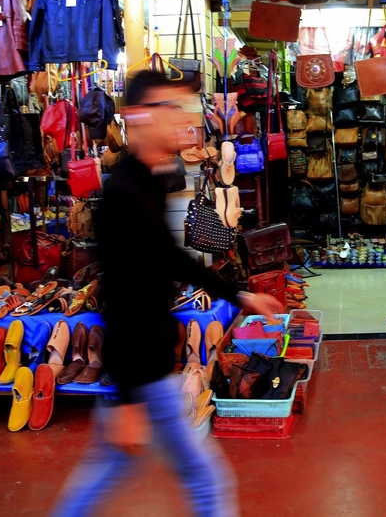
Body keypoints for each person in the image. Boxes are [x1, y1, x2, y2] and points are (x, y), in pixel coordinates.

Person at [51, 71, 283, 517]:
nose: (181, 119)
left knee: (136, 472)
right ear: (138, 116)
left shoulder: (146, 181)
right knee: (201, 480)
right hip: (141, 372)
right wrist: (126, 396)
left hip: (150, 367)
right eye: (170, 108)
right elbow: (120, 295)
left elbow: (169, 258)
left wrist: (238, 296)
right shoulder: (125, 192)